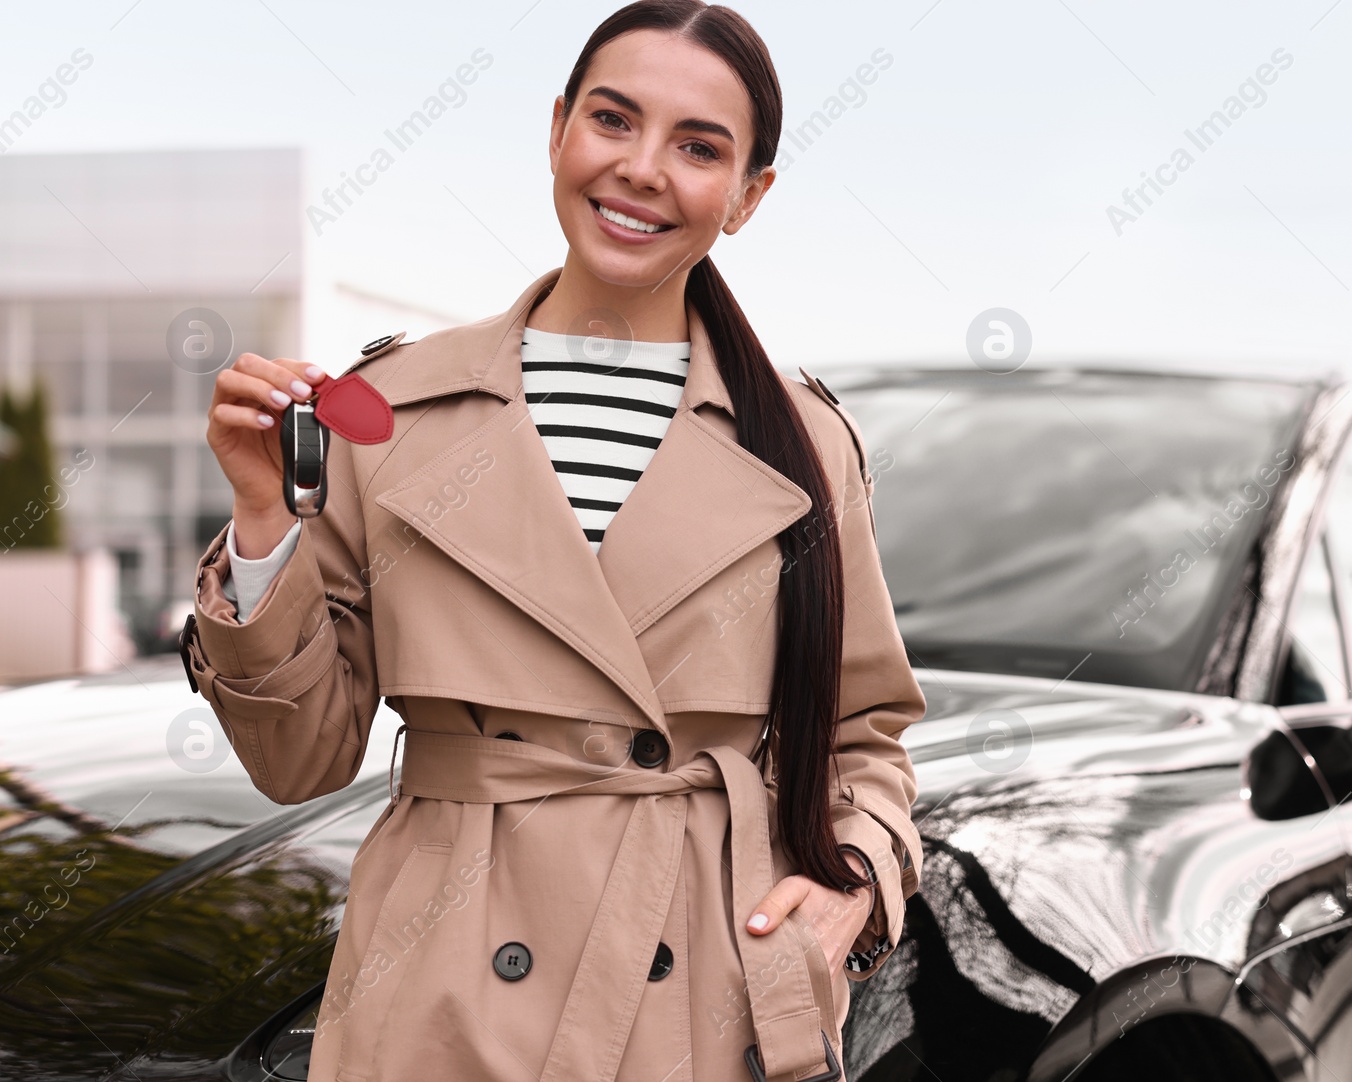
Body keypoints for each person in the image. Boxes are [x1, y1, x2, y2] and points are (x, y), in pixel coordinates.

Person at [181, 2, 927, 1079]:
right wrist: (262, 518)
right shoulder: (389, 409)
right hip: (441, 985)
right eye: (612, 121)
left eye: (698, 147)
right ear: (555, 132)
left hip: (705, 983)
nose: (641, 169)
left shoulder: (805, 442)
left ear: (749, 196)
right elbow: (300, 761)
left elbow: (865, 731)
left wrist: (855, 878)